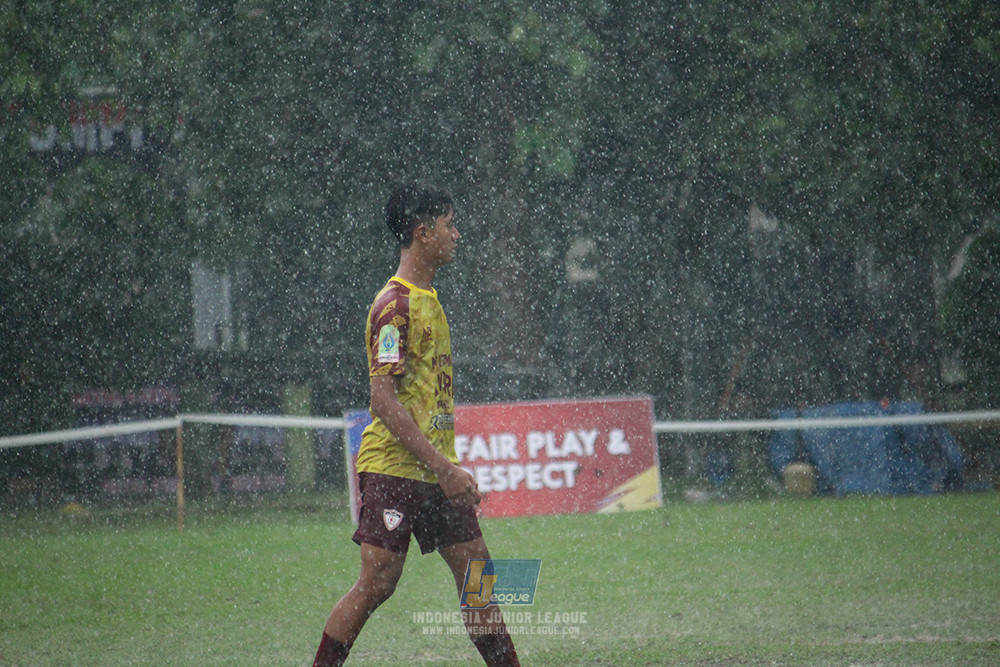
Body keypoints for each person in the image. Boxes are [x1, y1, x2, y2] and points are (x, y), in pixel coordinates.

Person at [312, 183, 520, 667]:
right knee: (378, 583)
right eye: (450, 225)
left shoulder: (429, 297)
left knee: (478, 575)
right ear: (423, 233)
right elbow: (381, 402)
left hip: (434, 471)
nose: (458, 234)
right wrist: (445, 469)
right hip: (394, 469)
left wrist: (444, 468)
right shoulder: (394, 306)